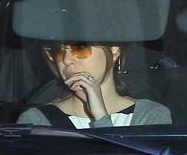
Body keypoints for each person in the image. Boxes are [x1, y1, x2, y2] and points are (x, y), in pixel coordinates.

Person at [17, 42, 171, 128]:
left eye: (79, 48)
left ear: (114, 50)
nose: (66, 60)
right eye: (58, 50)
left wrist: (101, 118)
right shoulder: (37, 120)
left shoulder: (150, 116)